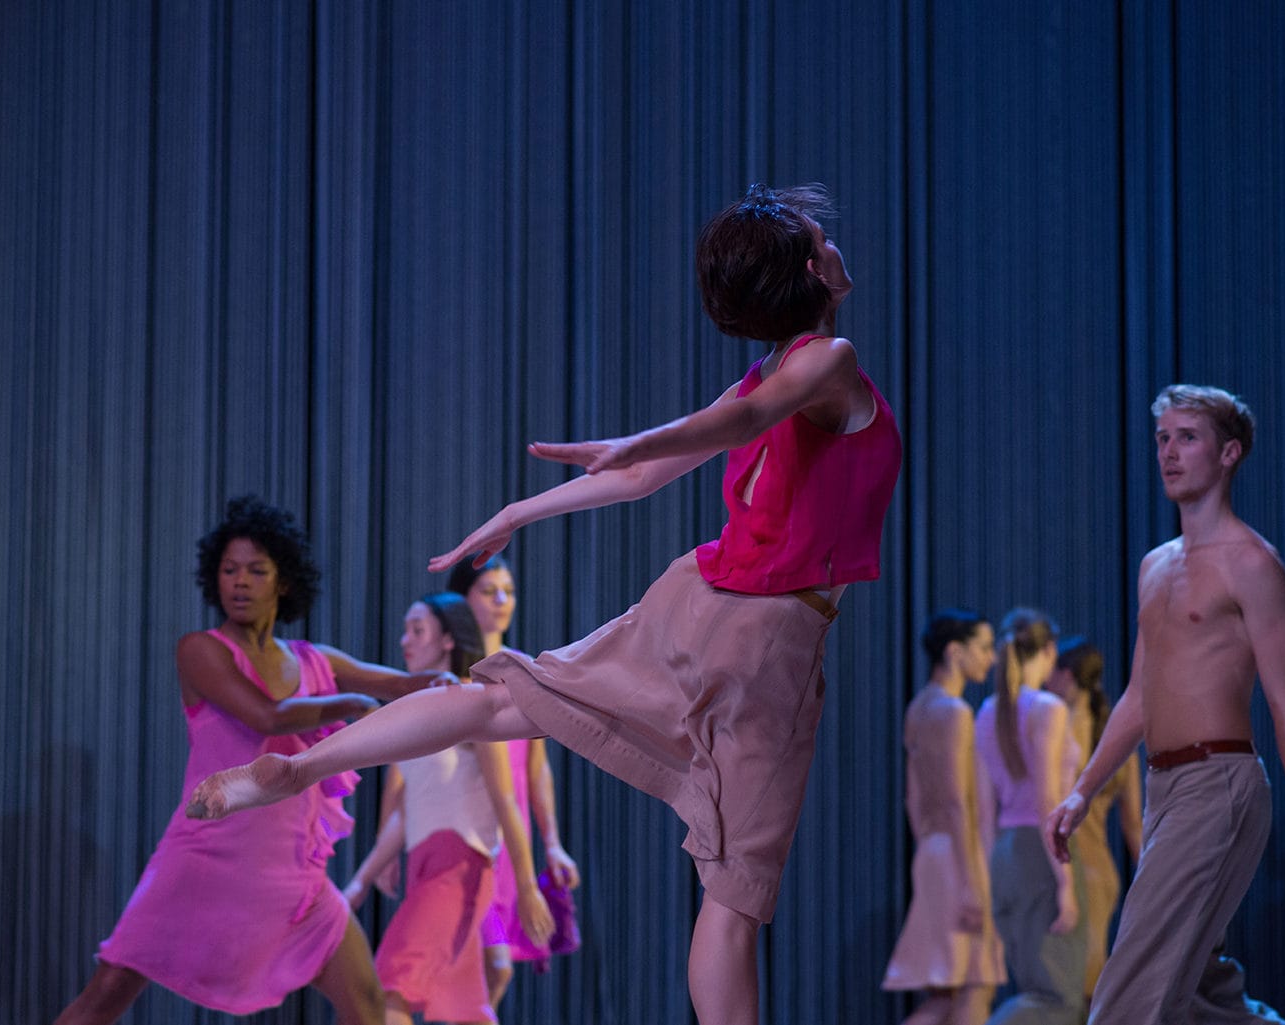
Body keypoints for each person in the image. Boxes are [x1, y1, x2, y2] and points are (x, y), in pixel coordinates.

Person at [185, 182, 903, 1025]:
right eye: (824, 237)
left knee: (494, 703)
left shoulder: (771, 371)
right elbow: (741, 423)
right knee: (734, 896)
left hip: (693, 599)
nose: (834, 245)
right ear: (813, 269)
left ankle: (297, 769)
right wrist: (626, 450)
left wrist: (522, 508)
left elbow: (647, 472)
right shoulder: (826, 359)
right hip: (769, 634)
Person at [54, 495, 452, 1025]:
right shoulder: (201, 650)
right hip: (204, 859)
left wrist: (453, 682)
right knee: (107, 992)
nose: (239, 581)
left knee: (367, 1006)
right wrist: (349, 703)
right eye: (229, 570)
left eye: (255, 571)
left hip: (291, 876)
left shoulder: (316, 661)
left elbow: (404, 684)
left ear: (282, 581)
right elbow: (267, 716)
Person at [1044, 385, 1285, 1025]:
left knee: (1127, 998)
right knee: (1198, 997)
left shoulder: (1252, 563)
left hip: (1221, 784)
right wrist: (1082, 792)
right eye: (1162, 439)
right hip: (1165, 788)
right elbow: (1138, 694)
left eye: (1187, 438)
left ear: (1229, 454)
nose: (1169, 453)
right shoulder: (1155, 566)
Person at [343, 592, 553, 1025]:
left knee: (392, 986)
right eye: (405, 630)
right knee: (465, 1011)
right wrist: (361, 881)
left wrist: (528, 887)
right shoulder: (411, 713)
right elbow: (408, 811)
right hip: (425, 869)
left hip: (459, 870)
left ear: (447, 641)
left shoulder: (469, 704)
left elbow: (505, 802)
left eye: (417, 630)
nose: (405, 641)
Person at [448, 554, 582, 1006]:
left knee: (494, 969)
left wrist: (552, 842)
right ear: (462, 599)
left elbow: (537, 766)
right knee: (477, 963)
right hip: (471, 834)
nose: (502, 600)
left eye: (508, 590)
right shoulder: (448, 674)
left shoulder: (524, 669)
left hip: (515, 839)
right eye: (488, 591)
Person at [883, 609, 1005, 1025]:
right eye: (985, 648)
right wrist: (972, 883)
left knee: (949, 990)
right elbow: (956, 801)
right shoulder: (954, 712)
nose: (991, 659)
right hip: (957, 857)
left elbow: (913, 798)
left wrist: (929, 854)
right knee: (974, 985)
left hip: (935, 852)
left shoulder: (919, 708)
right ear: (955, 652)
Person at [975, 609, 1086, 1025]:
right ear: (1048, 650)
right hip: (1042, 852)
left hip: (1006, 854)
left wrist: (991, 881)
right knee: (1057, 998)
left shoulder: (987, 711)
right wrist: (1065, 882)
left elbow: (986, 814)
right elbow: (1047, 801)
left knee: (1042, 991)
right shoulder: (1047, 708)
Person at [1042, 637, 1141, 1003]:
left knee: (1070, 989)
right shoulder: (1115, 739)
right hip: (1098, 871)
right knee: (1085, 987)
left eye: (1050, 674)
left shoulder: (1049, 733)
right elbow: (1133, 824)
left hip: (1059, 868)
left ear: (1066, 676)